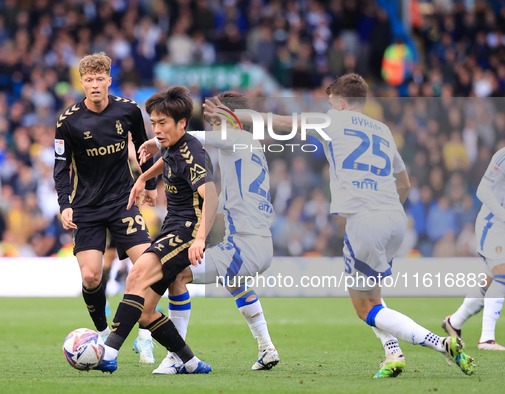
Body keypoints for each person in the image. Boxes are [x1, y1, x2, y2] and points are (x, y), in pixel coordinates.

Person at [206, 73, 475, 378]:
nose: (329, 104)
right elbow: (405, 182)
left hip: (365, 219)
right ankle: (393, 354)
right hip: (395, 218)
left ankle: (441, 343)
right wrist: (387, 209)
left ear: (341, 101)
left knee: (365, 308)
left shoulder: (332, 120)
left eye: (331, 99)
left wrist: (232, 114)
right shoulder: (384, 129)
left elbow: (278, 122)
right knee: (372, 292)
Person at [138, 91, 279, 373]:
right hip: (259, 244)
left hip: (245, 246)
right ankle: (267, 348)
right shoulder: (250, 148)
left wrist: (154, 141)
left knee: (178, 275)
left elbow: (189, 140)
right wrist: (147, 174)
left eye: (216, 119)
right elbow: (182, 156)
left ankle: (177, 357)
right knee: (233, 281)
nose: (213, 124)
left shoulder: (236, 138)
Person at [95, 86, 219, 374]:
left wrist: (200, 238)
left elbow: (211, 196)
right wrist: (143, 178)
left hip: (187, 231)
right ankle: (190, 362)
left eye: (163, 123)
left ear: (182, 124)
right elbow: (169, 157)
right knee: (146, 311)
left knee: (136, 276)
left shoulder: (193, 153)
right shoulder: (174, 145)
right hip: (171, 229)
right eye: (153, 123)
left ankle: (108, 352)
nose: (157, 129)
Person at [53, 52, 157, 363]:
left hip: (123, 202)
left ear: (109, 81)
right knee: (90, 278)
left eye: (101, 79)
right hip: (86, 208)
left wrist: (149, 186)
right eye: (89, 80)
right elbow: (60, 168)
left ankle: (145, 334)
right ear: (81, 83)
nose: (95, 85)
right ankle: (99, 335)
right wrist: (64, 204)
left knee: (150, 268)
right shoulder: (68, 122)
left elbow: (144, 148)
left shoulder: (128, 110)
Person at [443, 146, 505, 351]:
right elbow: (482, 190)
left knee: (489, 283)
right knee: (502, 276)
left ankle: (454, 322)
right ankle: (486, 339)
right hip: (493, 224)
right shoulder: (503, 156)